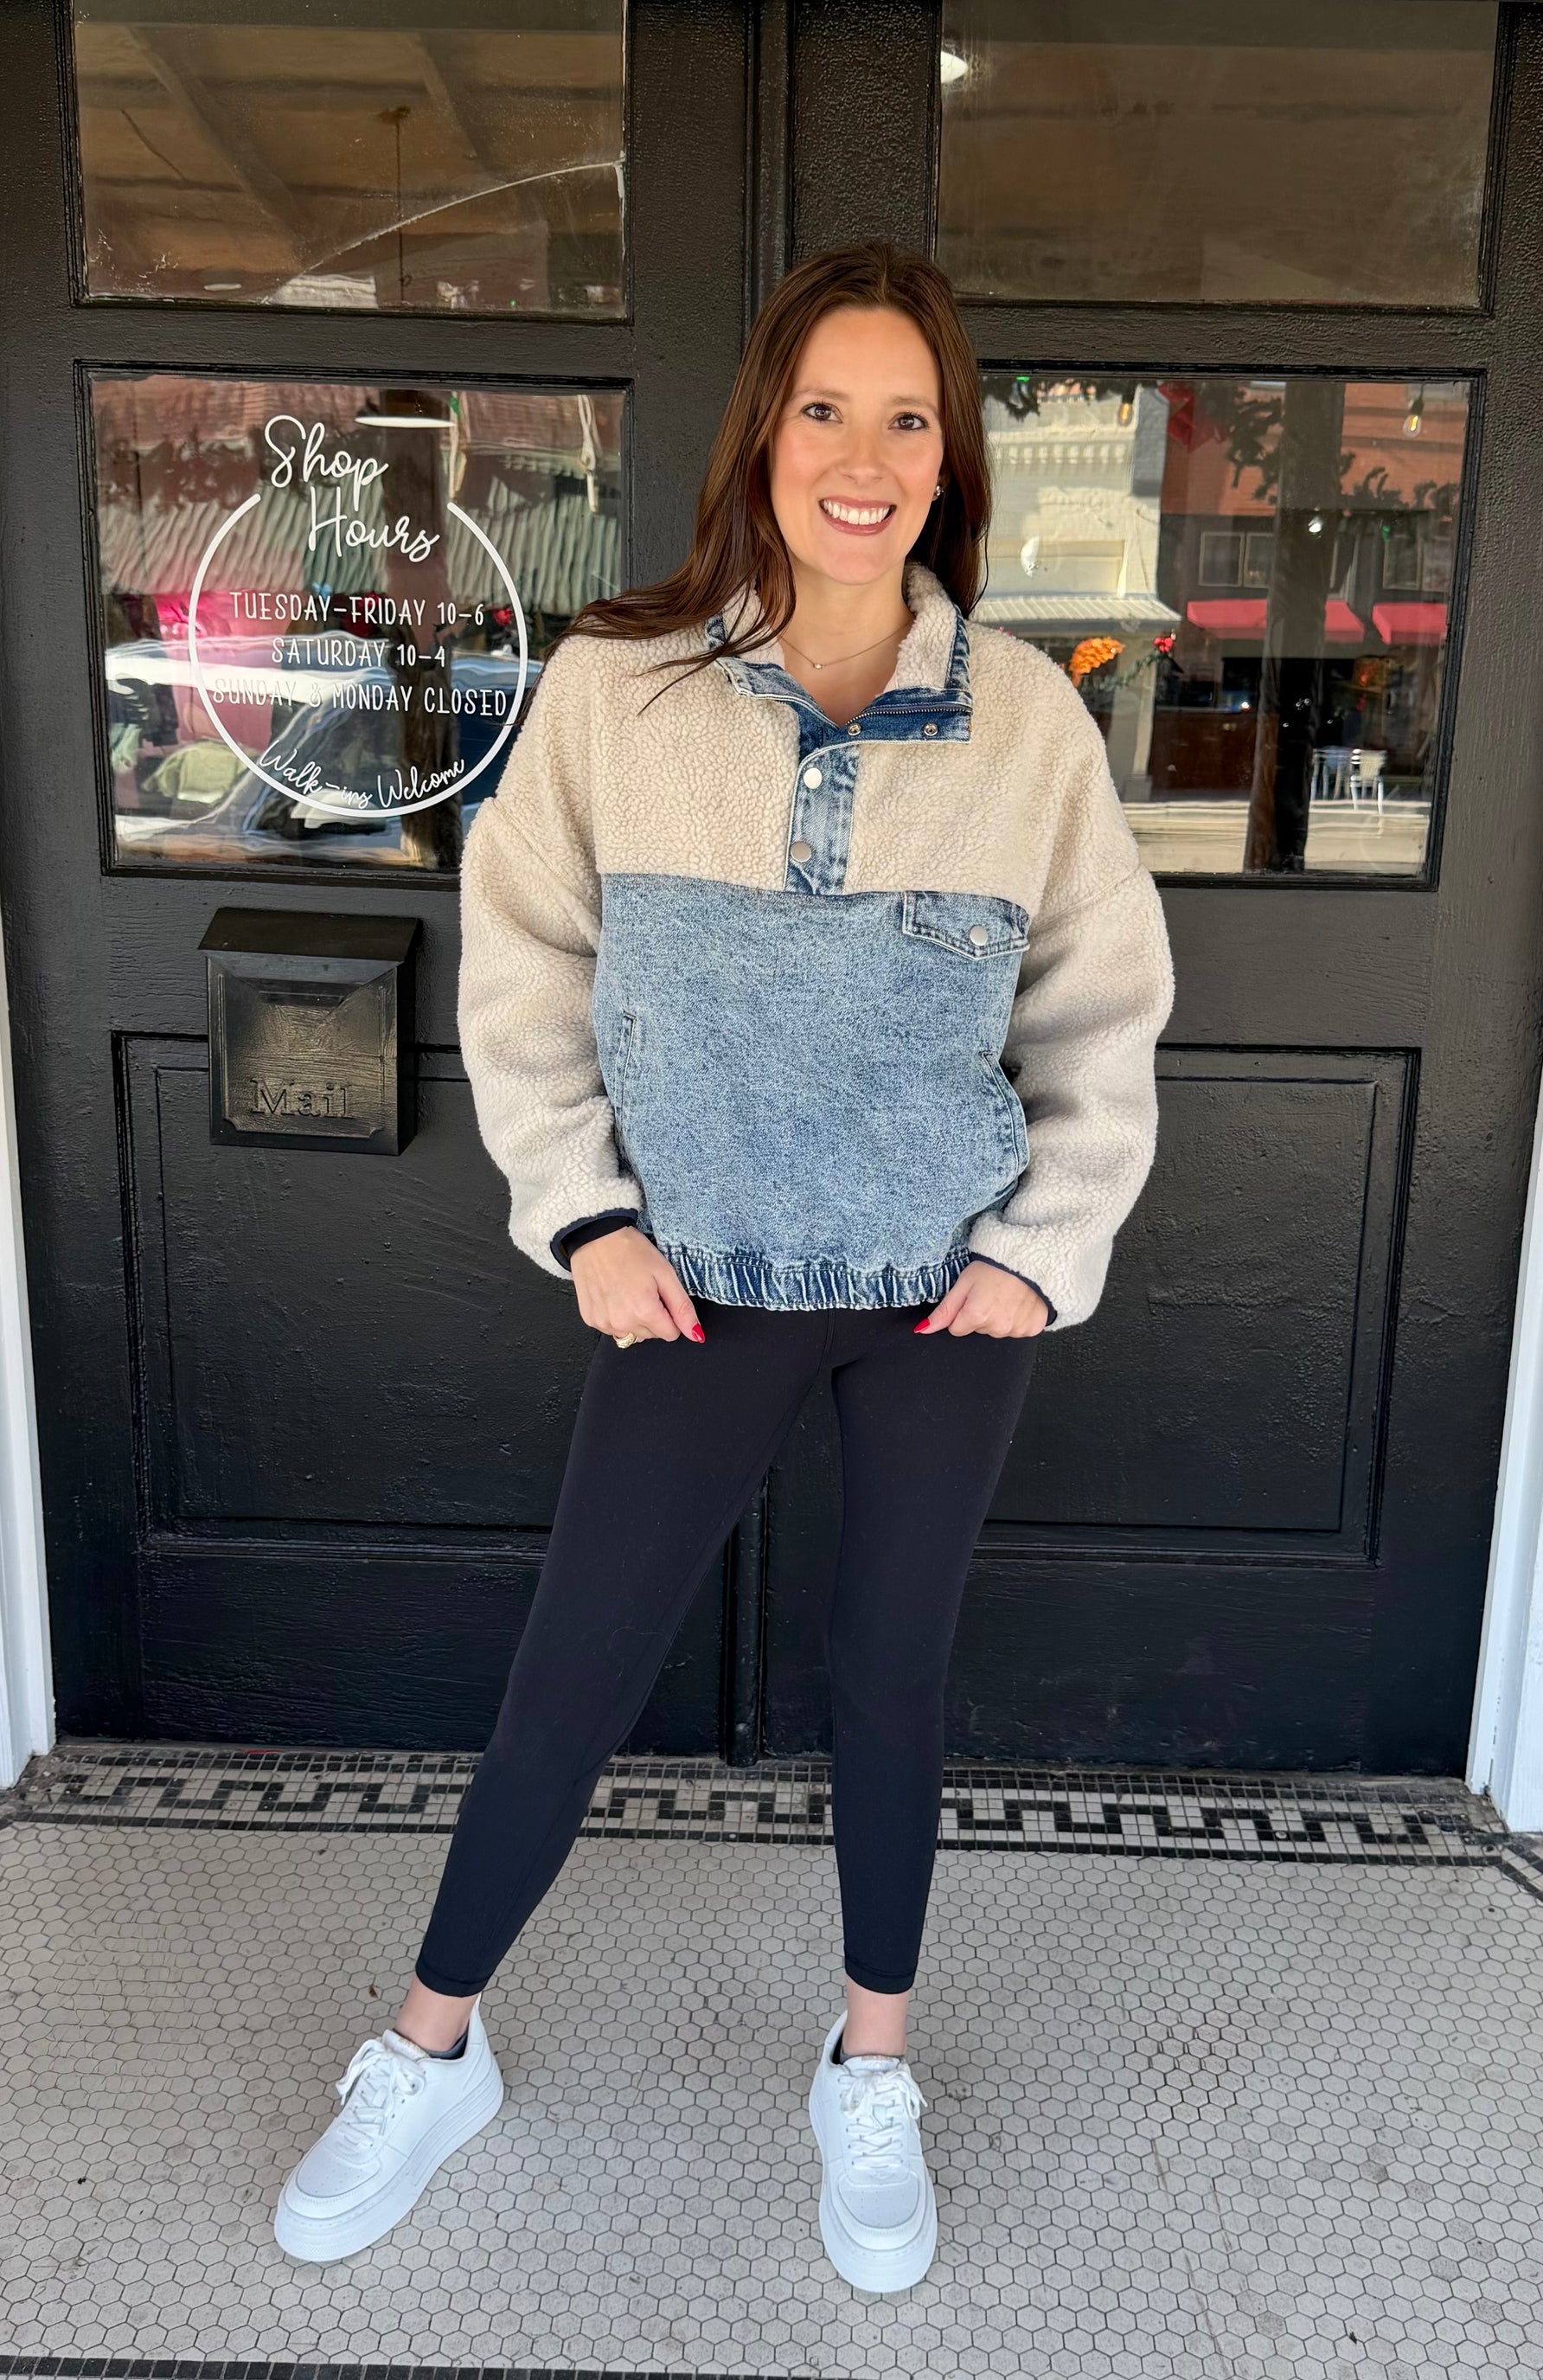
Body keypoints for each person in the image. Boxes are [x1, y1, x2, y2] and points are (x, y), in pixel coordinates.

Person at [272, 241, 1175, 2293]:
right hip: (693, 1278)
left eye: (907, 417)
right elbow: (523, 969)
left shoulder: (1027, 717)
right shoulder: (620, 686)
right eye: (825, 408)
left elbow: (1099, 1006)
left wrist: (1044, 1250)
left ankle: (870, 2064)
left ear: (949, 459)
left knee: (890, 1672)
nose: (864, 455)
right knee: (574, 1671)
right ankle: (431, 2048)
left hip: (940, 1288)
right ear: (763, 434)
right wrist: (584, 1214)